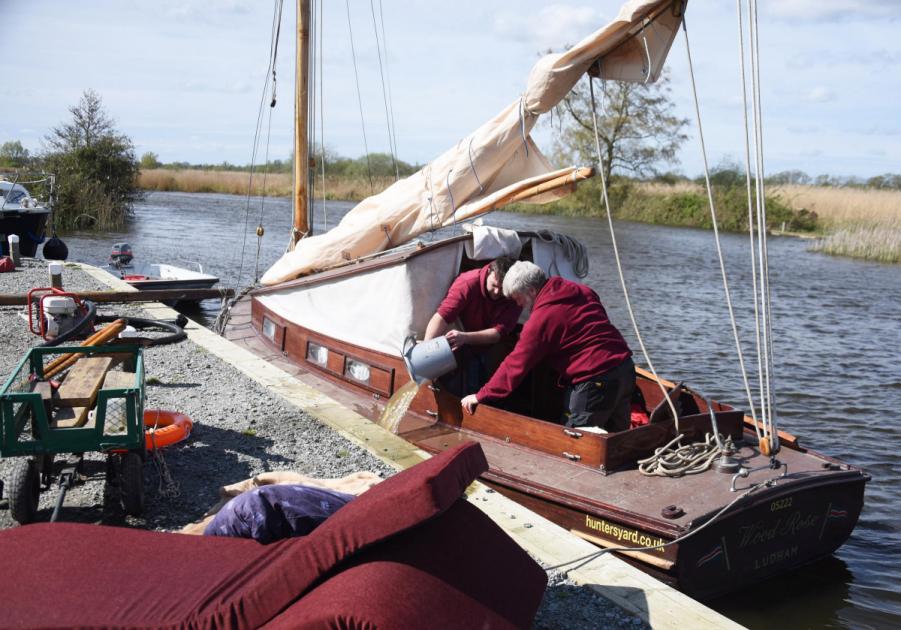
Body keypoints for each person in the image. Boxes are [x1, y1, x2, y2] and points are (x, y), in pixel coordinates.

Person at [461, 261, 635, 432]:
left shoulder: (541, 319)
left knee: (576, 444)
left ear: (531, 290)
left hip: (594, 380)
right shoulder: (581, 290)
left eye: (518, 298)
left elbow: (515, 366)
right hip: (625, 368)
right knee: (619, 439)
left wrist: (481, 395)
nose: (519, 305)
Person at [424, 256, 521, 393]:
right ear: (488, 272)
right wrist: (426, 351)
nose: (497, 292)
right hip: (453, 348)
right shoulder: (467, 283)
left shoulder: (514, 293)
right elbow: (442, 316)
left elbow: (498, 333)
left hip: (486, 349)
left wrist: (465, 337)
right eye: (494, 285)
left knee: (478, 390)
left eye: (502, 289)